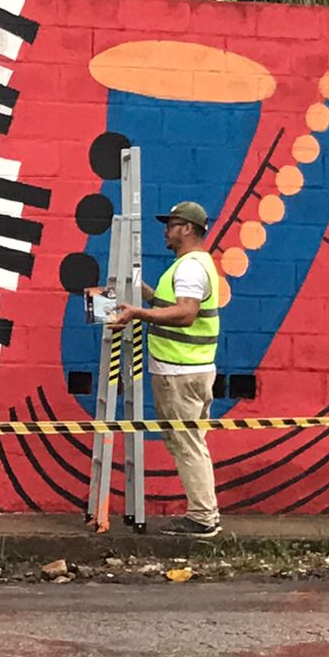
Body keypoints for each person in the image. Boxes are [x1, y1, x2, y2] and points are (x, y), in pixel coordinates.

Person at [107, 200, 222, 537]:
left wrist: (137, 314)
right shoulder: (194, 264)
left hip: (180, 371)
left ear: (187, 229)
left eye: (171, 225)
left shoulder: (189, 268)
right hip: (189, 368)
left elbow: (185, 314)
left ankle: (203, 517)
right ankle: (205, 514)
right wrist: (140, 291)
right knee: (191, 442)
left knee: (186, 444)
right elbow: (170, 305)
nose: (166, 231)